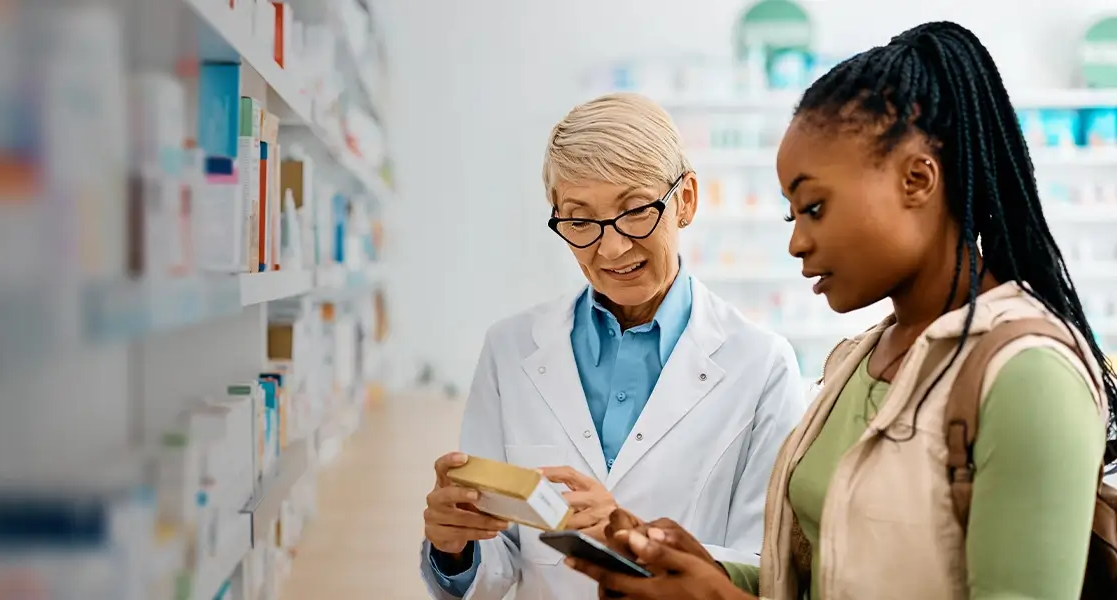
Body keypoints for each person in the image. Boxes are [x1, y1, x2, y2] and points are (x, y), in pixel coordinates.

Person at [565, 22, 1117, 600]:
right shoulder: (858, 363)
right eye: (791, 216)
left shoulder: (1028, 375)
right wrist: (698, 571)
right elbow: (832, 577)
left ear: (917, 179)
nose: (797, 242)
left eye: (815, 207)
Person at [418, 92, 809, 600]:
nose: (612, 247)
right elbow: (500, 555)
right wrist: (455, 546)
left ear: (685, 200)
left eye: (635, 210)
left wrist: (631, 538)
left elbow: (765, 566)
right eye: (580, 221)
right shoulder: (510, 349)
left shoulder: (761, 364)